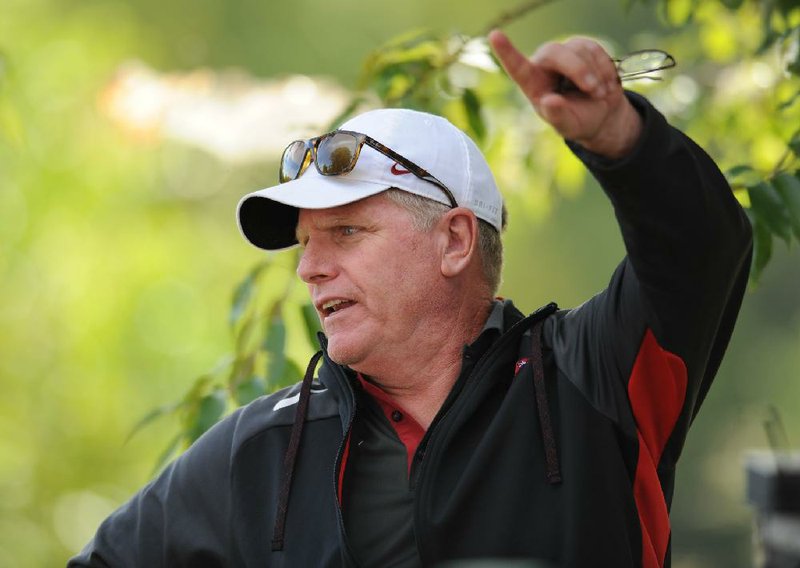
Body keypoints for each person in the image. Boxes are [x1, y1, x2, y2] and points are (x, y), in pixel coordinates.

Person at [69, 31, 752, 568]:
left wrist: (618, 137)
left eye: (346, 233)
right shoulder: (261, 448)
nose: (309, 268)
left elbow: (698, 246)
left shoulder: (589, 376)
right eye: (305, 243)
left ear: (454, 241)